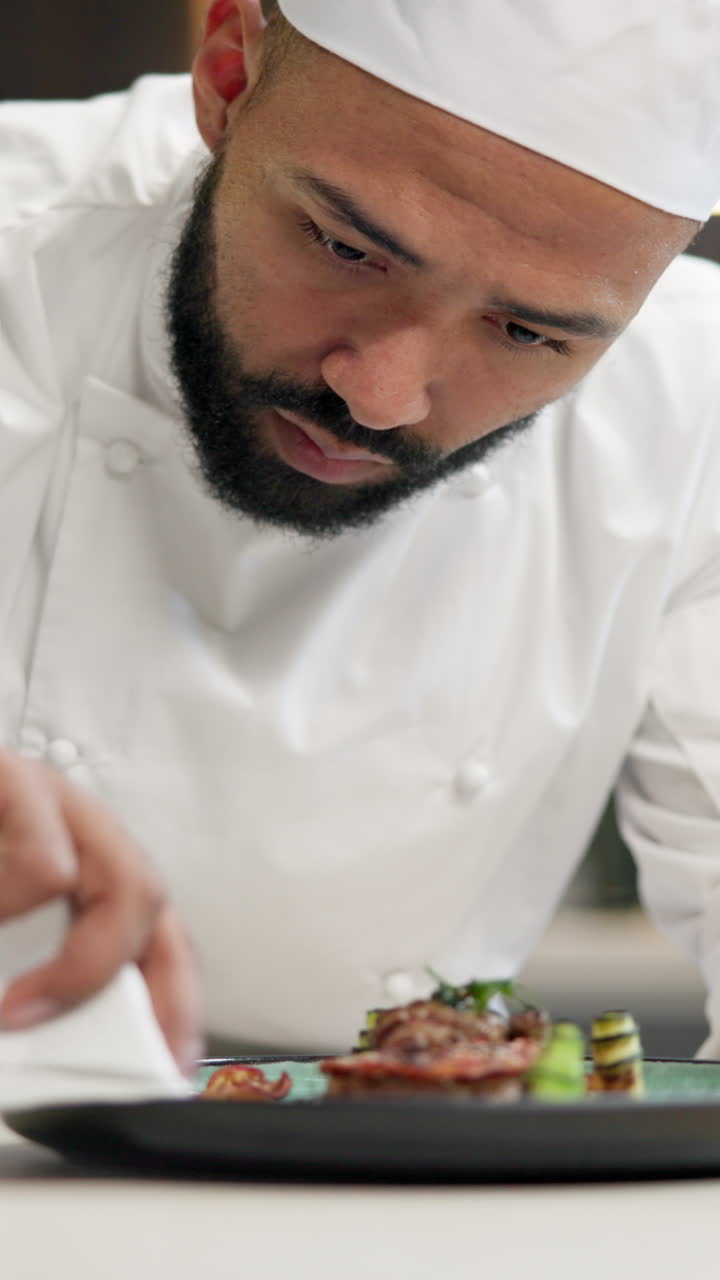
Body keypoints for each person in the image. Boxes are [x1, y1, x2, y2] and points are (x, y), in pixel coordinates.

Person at [0, 0, 719, 1063]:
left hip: (401, 1185)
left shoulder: (692, 409)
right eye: (346, 247)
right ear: (230, 72)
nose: (380, 396)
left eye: (529, 332)